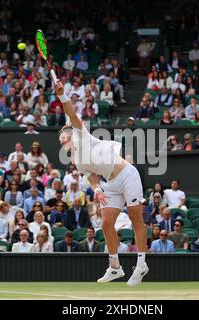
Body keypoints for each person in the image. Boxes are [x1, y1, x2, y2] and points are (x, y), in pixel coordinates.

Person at [55, 80, 148, 285]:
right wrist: (97, 189)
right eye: (60, 140)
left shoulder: (81, 134)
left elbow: (70, 113)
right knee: (106, 224)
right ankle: (115, 267)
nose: (61, 141)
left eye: (63, 137)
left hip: (127, 175)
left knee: (136, 219)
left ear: (71, 134)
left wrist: (62, 95)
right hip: (111, 183)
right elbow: (91, 175)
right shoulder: (77, 161)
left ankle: (141, 265)